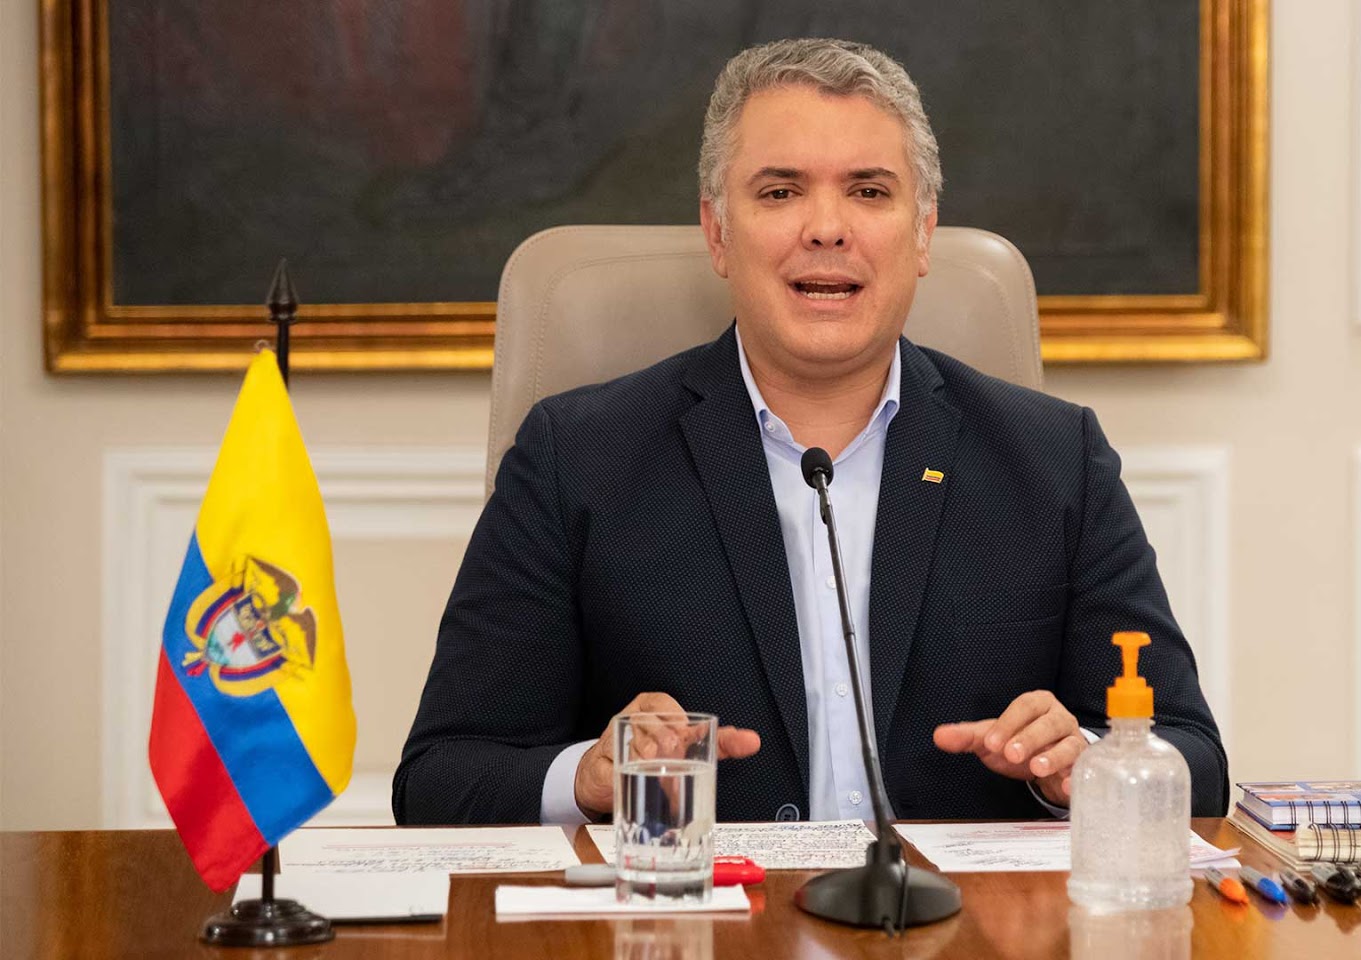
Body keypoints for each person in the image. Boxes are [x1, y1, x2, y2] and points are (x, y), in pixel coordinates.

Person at [394, 38, 1227, 826]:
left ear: (923, 231)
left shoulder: (1055, 460)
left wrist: (1086, 763)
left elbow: (1198, 762)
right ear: (718, 233)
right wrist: (587, 775)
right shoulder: (575, 458)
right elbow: (440, 777)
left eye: (869, 191)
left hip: (961, 914)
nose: (827, 228)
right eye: (780, 191)